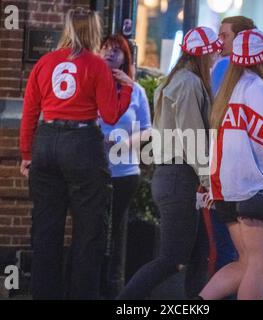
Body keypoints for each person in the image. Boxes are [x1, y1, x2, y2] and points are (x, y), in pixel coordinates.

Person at [19, 8, 133, 300]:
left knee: (46, 229)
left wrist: (26, 154)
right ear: (93, 31)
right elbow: (109, 116)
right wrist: (127, 90)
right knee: (89, 230)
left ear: (67, 29)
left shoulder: (44, 62)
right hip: (82, 144)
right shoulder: (96, 66)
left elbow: (29, 112)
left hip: (46, 142)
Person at [117, 27, 223, 300]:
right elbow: (192, 135)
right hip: (180, 177)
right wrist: (207, 178)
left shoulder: (172, 80)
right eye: (213, 50)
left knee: (199, 255)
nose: (217, 55)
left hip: (172, 175)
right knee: (171, 259)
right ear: (204, 53)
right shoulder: (189, 83)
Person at [198, 28, 263, 300]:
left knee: (244, 263)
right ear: (261, 60)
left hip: (227, 192)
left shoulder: (227, 95)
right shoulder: (259, 91)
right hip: (256, 189)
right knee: (257, 266)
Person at [98, 34, 151, 299]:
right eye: (105, 48)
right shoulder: (91, 85)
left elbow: (147, 131)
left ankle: (114, 291)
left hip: (124, 172)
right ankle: (88, 287)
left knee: (116, 232)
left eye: (116, 50)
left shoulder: (137, 91)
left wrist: (124, 143)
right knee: (92, 231)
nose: (109, 53)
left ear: (126, 58)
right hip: (93, 173)